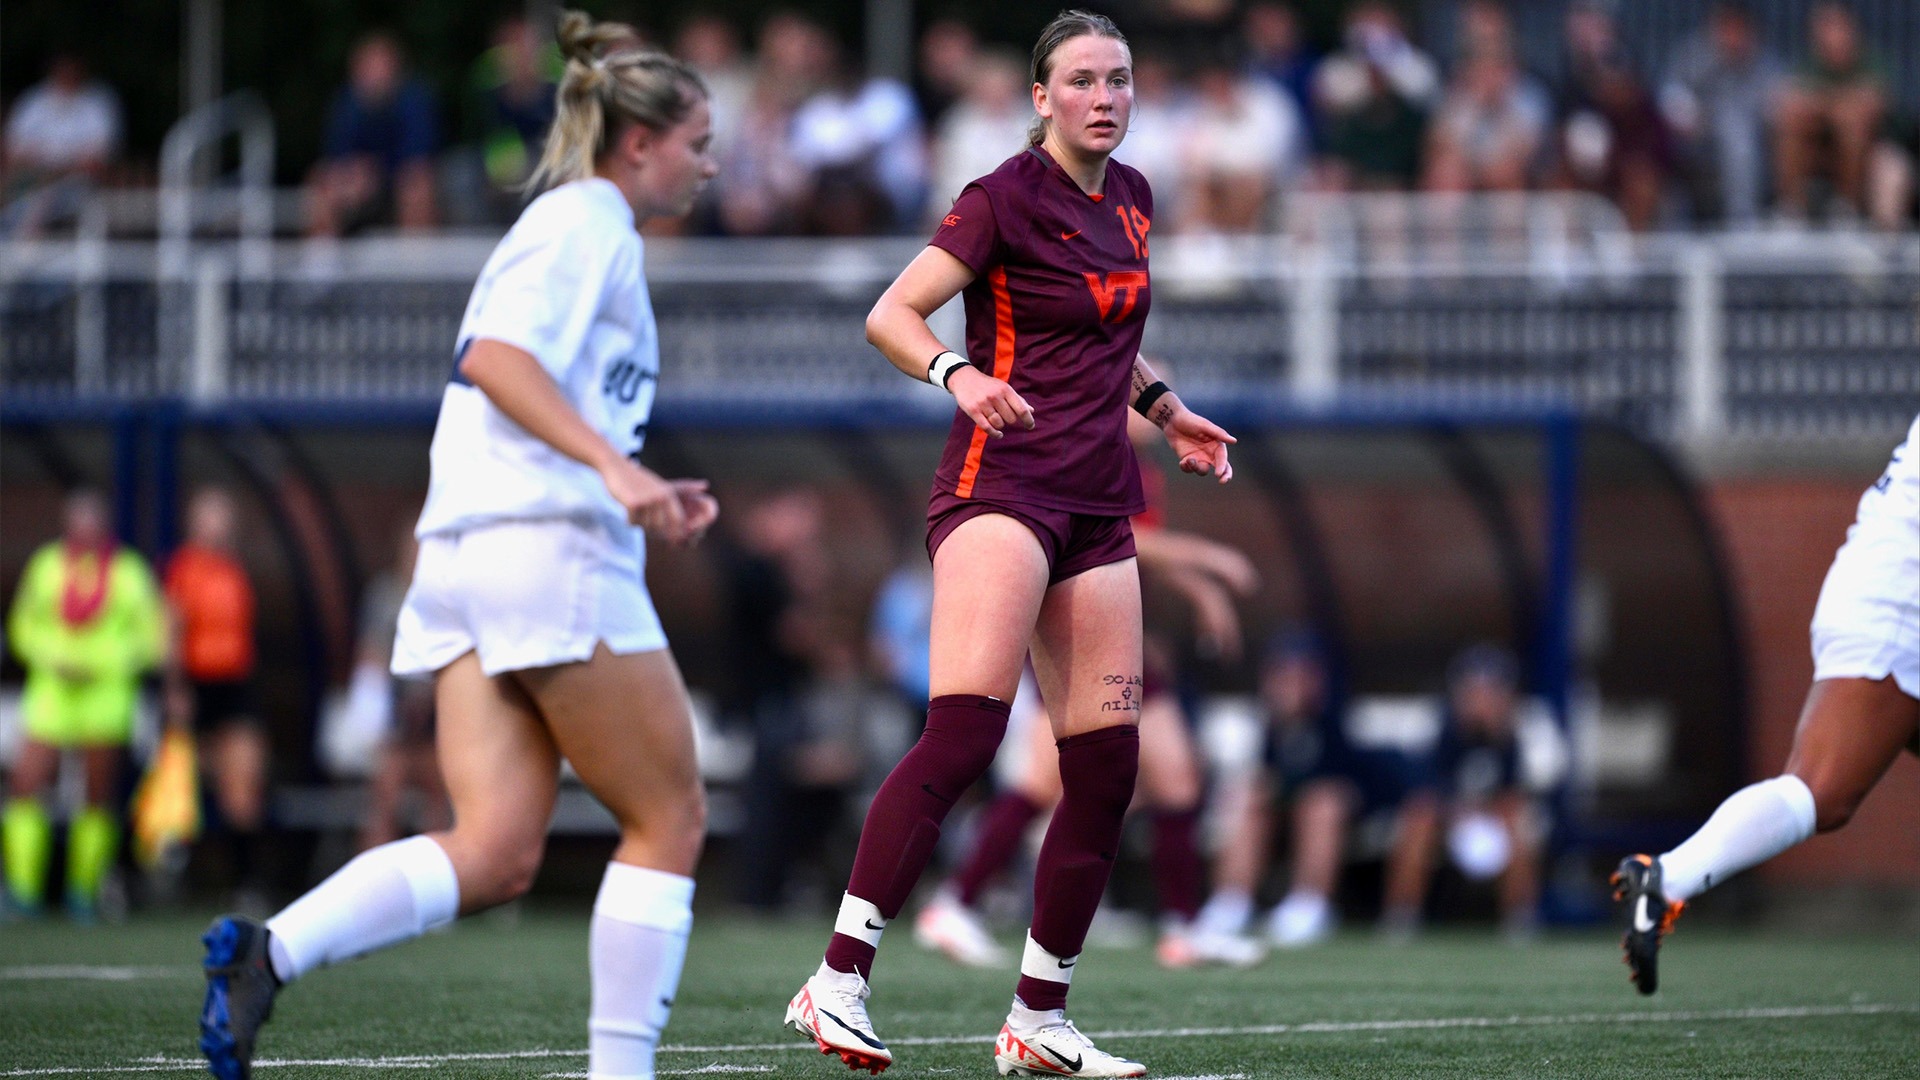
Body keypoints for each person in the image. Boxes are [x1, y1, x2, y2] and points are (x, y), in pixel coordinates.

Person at [197, 13, 721, 1080]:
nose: (707, 163)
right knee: (669, 814)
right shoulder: (590, 224)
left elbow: (518, 376)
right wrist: (619, 474)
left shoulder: (570, 223)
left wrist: (638, 484)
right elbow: (495, 359)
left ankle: (270, 952)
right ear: (637, 145)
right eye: (696, 141)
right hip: (543, 546)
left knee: (494, 852)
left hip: (467, 557)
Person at [782, 11, 1236, 1077]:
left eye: (1118, 79)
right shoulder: (1000, 197)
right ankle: (836, 979)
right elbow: (892, 315)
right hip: (1001, 489)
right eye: (1081, 80)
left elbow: (1106, 338)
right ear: (1042, 97)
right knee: (967, 735)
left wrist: (1166, 409)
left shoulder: (1132, 196)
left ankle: (1039, 1016)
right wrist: (957, 374)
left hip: (1096, 500)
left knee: (1107, 765)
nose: (1104, 97)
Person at [1614, 414, 1917, 995]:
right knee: (1820, 793)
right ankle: (1666, 878)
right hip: (1899, 603)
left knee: (1822, 793)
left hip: (1883, 587)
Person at [1192, 630, 1438, 947]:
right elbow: (1278, 777)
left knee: (1322, 802)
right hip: (1289, 817)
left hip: (1352, 814)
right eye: (1282, 674)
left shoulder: (1334, 718)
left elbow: (1330, 779)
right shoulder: (1275, 726)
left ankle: (1309, 904)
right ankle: (1231, 903)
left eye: (1299, 674)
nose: (1289, 684)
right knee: (1249, 795)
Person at [4, 490, 166, 920]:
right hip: (52, 692)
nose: (85, 531)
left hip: (105, 695)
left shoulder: (130, 572)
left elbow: (151, 638)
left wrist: (104, 663)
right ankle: (23, 889)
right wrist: (51, 656)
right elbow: (22, 624)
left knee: (96, 794)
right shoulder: (47, 565)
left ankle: (84, 891)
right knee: (26, 782)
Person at [162, 487, 272, 908]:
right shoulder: (183, 569)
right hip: (196, 685)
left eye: (224, 515)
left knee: (243, 785)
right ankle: (168, 874)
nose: (219, 524)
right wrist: (175, 689)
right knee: (180, 785)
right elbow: (172, 630)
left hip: (235, 687)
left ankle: (245, 881)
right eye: (210, 515)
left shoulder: (234, 569)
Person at [1659, 1, 1782, 226]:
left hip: (1753, 144)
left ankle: (1742, 221)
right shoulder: (1694, 55)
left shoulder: (1763, 62)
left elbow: (1777, 105)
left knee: (1736, 133)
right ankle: (1672, 226)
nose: (1731, 36)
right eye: (1725, 27)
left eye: (1737, 28)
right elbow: (1671, 97)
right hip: (1697, 139)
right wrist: (1689, 116)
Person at [306, 32, 441, 237]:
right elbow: (337, 158)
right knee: (320, 180)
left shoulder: (414, 100)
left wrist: (377, 173)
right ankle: (320, 262)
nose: (375, 75)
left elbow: (417, 160)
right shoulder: (346, 104)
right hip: (362, 185)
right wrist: (354, 174)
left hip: (400, 181)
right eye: (368, 67)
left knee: (417, 186)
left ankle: (416, 263)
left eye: (380, 66)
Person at [1772, 1, 1889, 225]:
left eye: (1836, 27)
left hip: (1871, 152)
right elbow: (1789, 103)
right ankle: (1791, 209)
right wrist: (1834, 105)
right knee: (1790, 126)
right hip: (1818, 148)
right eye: (1824, 28)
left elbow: (1870, 105)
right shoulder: (1809, 65)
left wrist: (1823, 103)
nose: (1831, 36)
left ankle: (1847, 209)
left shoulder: (1870, 63)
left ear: (1851, 30)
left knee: (1852, 125)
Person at [0, 53, 122, 237]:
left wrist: (52, 167)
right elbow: (12, 150)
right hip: (29, 177)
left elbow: (96, 159)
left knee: (43, 197)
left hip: (76, 183)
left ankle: (22, 249)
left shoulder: (97, 102)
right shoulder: (34, 100)